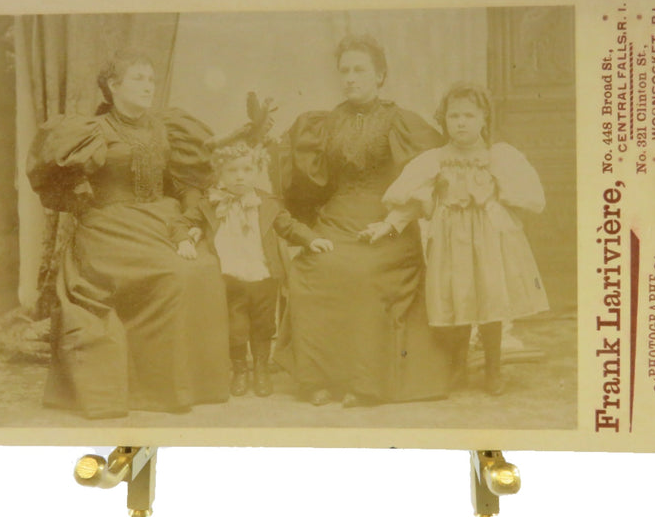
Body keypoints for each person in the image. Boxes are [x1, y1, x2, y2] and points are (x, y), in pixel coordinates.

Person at [26, 49, 230, 419]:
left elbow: (186, 184)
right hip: (109, 228)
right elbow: (55, 183)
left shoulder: (167, 127)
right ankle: (154, 391)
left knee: (202, 269)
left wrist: (191, 219)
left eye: (151, 79)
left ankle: (192, 385)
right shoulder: (92, 131)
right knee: (173, 275)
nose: (148, 86)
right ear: (113, 86)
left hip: (161, 221)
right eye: (138, 78)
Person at [274, 34, 451, 407]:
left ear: (380, 75)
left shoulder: (400, 121)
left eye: (360, 70)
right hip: (337, 217)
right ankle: (317, 378)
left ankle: (363, 382)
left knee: (363, 275)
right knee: (311, 269)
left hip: (385, 221)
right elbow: (308, 179)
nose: (351, 78)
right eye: (345, 70)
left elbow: (440, 164)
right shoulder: (326, 123)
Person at [366, 83, 550, 395]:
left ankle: (493, 369)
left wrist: (497, 197)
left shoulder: (497, 158)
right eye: (454, 116)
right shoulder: (435, 160)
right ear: (444, 119)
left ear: (483, 119)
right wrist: (390, 225)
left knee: (490, 298)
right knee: (460, 296)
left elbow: (529, 199)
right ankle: (458, 367)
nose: (461, 122)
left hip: (488, 237)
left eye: (468, 115)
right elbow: (412, 201)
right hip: (451, 240)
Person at [173, 141, 334, 398]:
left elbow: (288, 226)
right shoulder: (210, 203)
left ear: (256, 171)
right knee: (236, 327)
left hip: (263, 275)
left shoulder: (267, 202)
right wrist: (184, 239)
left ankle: (260, 369)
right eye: (232, 171)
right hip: (230, 276)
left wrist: (311, 239)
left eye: (247, 170)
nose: (239, 176)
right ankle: (239, 370)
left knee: (263, 325)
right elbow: (182, 222)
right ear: (219, 174)